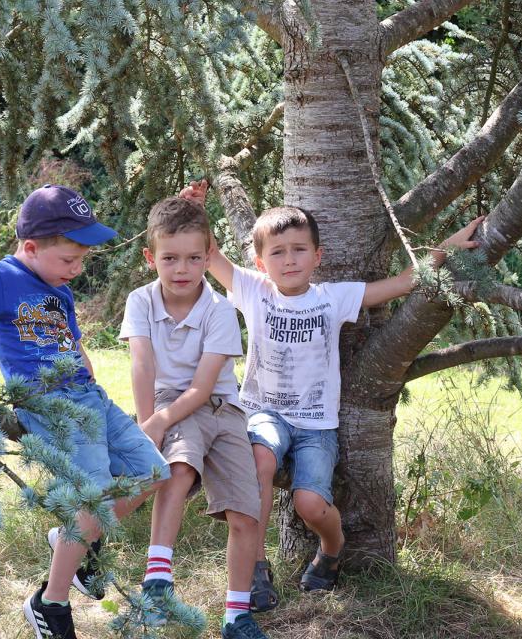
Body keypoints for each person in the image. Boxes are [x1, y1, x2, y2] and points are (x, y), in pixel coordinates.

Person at [181, 179, 482, 611]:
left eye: (299, 249)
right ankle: (255, 567)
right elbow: (208, 254)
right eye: (278, 252)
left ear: (317, 256)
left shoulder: (332, 298)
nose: (289, 260)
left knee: (310, 505)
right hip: (264, 411)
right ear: (261, 262)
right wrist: (195, 210)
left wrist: (445, 250)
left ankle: (332, 548)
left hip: (316, 424)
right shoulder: (253, 290)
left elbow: (402, 283)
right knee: (260, 461)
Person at [0, 184, 170, 639]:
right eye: (68, 261)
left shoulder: (58, 287)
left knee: (153, 472)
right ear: (31, 247)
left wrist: (89, 368)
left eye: (81, 261)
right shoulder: (2, 278)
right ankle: (49, 603)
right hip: (50, 404)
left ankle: (75, 542)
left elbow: (70, 339)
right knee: (91, 497)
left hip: (90, 396)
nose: (76, 270)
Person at [119, 196, 268, 639]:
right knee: (177, 467)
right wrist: (150, 424)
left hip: (222, 409)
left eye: (192, 258)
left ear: (208, 256)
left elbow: (204, 388)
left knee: (246, 513)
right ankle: (158, 577)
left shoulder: (221, 310)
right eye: (170, 258)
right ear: (151, 258)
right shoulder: (141, 301)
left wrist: (160, 421)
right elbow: (142, 366)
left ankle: (237, 614)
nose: (181, 269)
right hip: (168, 399)